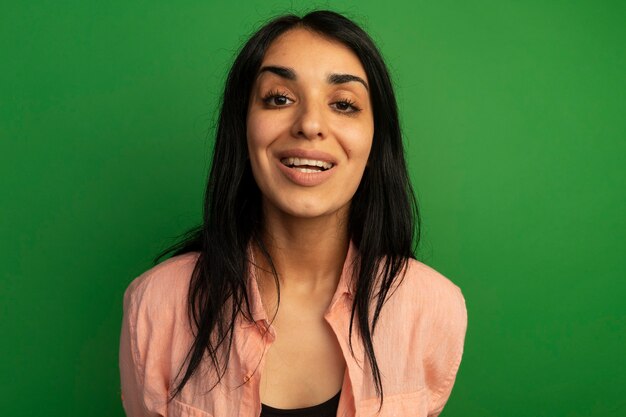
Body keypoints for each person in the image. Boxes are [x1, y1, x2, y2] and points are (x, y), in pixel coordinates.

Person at [119, 9, 467, 417]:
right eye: (279, 98)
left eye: (343, 104)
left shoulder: (433, 308)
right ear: (243, 128)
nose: (310, 124)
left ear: (376, 141)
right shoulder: (157, 305)